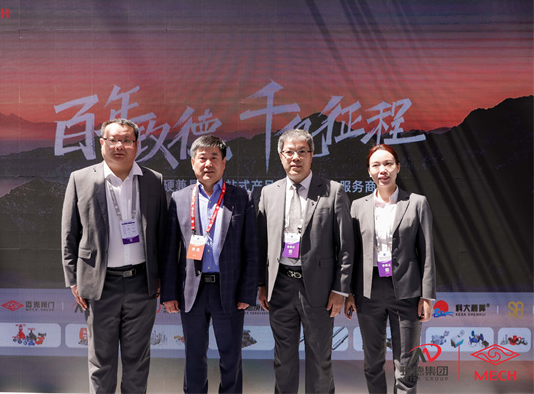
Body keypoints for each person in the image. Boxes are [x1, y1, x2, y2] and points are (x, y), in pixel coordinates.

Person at [61, 118, 167, 393]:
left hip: (141, 283)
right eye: (113, 140)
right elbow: (69, 234)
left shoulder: (153, 180)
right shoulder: (81, 179)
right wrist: (74, 280)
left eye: (126, 140)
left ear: (136, 145)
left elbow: (162, 234)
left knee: (137, 361)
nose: (119, 146)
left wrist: (162, 277)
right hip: (99, 284)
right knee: (101, 362)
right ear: (102, 144)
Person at [257, 128, 354, 394]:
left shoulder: (333, 191)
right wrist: (262, 285)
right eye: (289, 152)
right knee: (283, 360)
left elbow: (346, 247)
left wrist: (340, 290)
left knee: (320, 360)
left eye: (302, 152)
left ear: (312, 156)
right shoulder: (269, 193)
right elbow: (261, 244)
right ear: (280, 156)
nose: (295, 158)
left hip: (319, 291)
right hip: (280, 287)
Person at [161, 134, 259, 393]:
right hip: (191, 291)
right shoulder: (179, 198)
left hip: (229, 290)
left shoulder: (242, 197)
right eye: (202, 158)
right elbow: (170, 251)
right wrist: (169, 293)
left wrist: (247, 292)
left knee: (231, 357)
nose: (208, 163)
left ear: (224, 162)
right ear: (193, 163)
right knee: (194, 357)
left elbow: (251, 249)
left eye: (214, 157)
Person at [344, 143, 436, 393]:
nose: (382, 170)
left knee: (406, 365)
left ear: (397, 167)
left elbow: (427, 252)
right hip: (368, 292)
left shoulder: (416, 203)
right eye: (376, 165)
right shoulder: (358, 206)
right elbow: (351, 253)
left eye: (387, 164)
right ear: (369, 171)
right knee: (372, 362)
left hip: (406, 292)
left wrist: (427, 296)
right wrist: (349, 292)